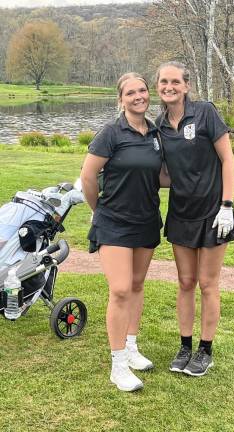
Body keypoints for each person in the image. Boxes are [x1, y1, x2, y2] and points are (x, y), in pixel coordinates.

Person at [155, 61, 234, 377]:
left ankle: (205, 350)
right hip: (181, 214)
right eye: (164, 82)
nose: (170, 86)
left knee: (207, 283)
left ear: (186, 85)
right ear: (158, 87)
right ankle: (185, 346)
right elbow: (166, 175)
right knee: (184, 282)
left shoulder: (205, 112)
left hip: (213, 213)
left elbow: (227, 159)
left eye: (175, 81)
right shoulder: (159, 125)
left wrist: (227, 205)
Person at [80, 73, 163, 392]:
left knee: (137, 285)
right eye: (131, 92)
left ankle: (131, 348)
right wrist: (96, 211)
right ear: (121, 100)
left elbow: (159, 174)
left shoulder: (156, 132)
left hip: (146, 219)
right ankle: (118, 366)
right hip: (113, 221)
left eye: (143, 90)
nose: (139, 96)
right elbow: (88, 176)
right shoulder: (111, 133)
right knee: (120, 290)